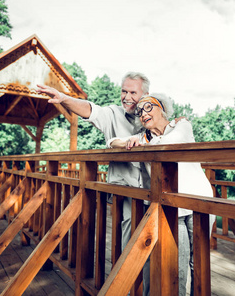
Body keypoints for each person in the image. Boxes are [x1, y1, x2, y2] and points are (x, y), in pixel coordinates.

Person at [108, 93, 215, 296]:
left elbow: (169, 144)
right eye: (139, 111)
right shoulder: (142, 138)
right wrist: (129, 141)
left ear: (162, 108)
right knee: (176, 264)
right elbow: (112, 142)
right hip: (172, 206)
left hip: (199, 202)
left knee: (199, 263)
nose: (143, 114)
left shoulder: (182, 126)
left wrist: (141, 145)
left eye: (148, 107)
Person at [36, 72, 149, 253]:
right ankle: (126, 279)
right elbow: (90, 109)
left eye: (133, 93)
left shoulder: (151, 113)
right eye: (124, 92)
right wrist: (64, 98)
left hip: (153, 189)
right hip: (127, 191)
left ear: (145, 95)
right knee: (131, 243)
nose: (127, 97)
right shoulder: (113, 113)